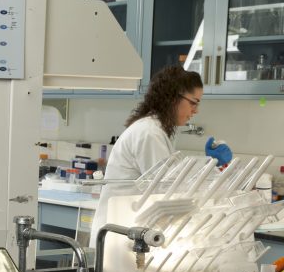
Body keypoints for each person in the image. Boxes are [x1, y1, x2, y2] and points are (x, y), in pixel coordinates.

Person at [90, 66, 231, 248]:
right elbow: (168, 190)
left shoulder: (154, 130)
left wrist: (211, 168)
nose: (196, 110)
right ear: (174, 98)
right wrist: (211, 169)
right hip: (121, 236)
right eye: (193, 102)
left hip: (130, 231)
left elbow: (172, 180)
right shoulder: (149, 133)